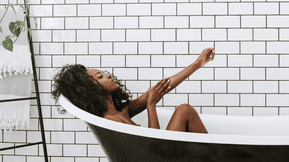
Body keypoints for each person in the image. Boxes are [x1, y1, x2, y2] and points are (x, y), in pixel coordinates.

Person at [52, 48, 215, 133]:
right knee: (184, 110)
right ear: (91, 89)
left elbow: (163, 87)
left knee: (184, 110)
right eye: (100, 76)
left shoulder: (122, 111)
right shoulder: (110, 121)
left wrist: (197, 63)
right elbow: (153, 143)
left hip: (159, 156)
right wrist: (151, 106)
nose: (108, 76)